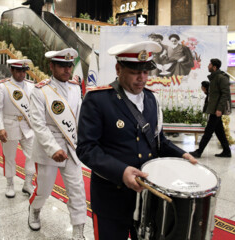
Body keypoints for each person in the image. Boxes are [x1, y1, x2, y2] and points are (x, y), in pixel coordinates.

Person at [76, 41, 197, 240]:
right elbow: (87, 149)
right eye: (134, 72)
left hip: (148, 199)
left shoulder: (151, 99)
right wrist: (121, 171)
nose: (142, 78)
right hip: (111, 198)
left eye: (146, 72)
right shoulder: (98, 100)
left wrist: (183, 155)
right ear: (118, 69)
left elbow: (159, 141)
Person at [28, 48, 86, 239]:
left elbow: (78, 118)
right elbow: (37, 123)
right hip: (48, 149)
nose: (67, 70)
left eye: (69, 65)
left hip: (71, 147)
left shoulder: (76, 88)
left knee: (77, 190)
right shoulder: (40, 90)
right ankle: (34, 209)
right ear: (51, 66)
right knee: (44, 189)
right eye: (62, 65)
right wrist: (53, 149)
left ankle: (78, 230)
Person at [0, 59, 36, 198]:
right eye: (18, 71)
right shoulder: (3, 86)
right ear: (12, 70)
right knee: (10, 157)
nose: (22, 74)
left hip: (27, 127)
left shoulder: (31, 86)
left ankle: (28, 183)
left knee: (32, 155)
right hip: (10, 126)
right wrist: (0, 128)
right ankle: (10, 183)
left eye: (24, 71)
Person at [190, 58, 232, 158]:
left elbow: (225, 94)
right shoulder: (214, 78)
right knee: (219, 131)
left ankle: (199, 151)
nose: (208, 66)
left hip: (216, 110)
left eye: (209, 64)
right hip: (214, 109)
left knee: (208, 131)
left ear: (214, 67)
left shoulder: (221, 78)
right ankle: (226, 151)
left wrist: (219, 109)